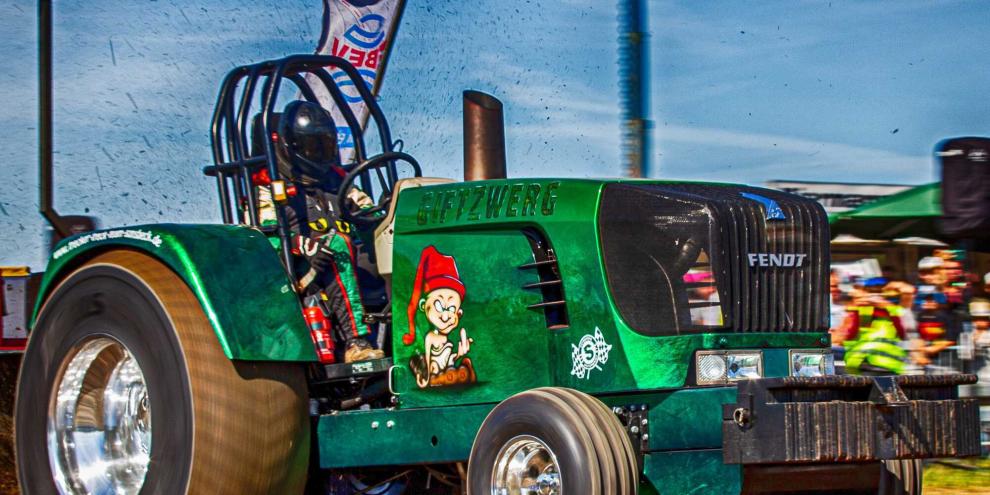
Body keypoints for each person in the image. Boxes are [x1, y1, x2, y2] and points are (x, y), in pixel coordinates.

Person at [261, 100, 383, 363]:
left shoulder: (338, 181)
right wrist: (305, 247)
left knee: (396, 238)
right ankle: (356, 342)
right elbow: (263, 239)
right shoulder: (268, 188)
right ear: (291, 147)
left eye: (324, 145)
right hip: (299, 270)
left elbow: (371, 212)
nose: (319, 153)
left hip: (347, 261)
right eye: (312, 146)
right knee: (336, 245)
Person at [841, 277, 908, 376]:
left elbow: (903, 333)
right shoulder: (859, 310)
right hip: (858, 365)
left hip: (886, 367)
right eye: (871, 290)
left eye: (879, 290)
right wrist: (855, 308)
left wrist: (887, 306)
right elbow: (849, 335)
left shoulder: (895, 311)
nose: (874, 294)